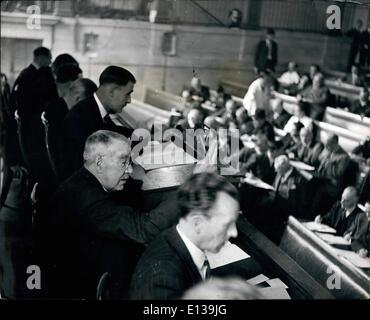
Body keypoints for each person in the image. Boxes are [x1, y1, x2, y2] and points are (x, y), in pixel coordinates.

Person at [45, 130, 180, 299]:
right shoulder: (84, 196)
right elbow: (144, 231)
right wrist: (188, 191)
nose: (130, 169)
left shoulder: (90, 181)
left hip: (96, 264)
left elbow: (140, 199)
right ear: (100, 162)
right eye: (123, 162)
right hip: (86, 285)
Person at [129, 172, 240, 300]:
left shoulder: (173, 237)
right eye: (227, 224)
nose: (234, 233)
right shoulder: (162, 281)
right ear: (197, 223)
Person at [60, 65, 136, 180]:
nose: (129, 100)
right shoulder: (81, 116)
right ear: (112, 91)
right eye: (128, 94)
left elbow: (113, 130)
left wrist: (144, 135)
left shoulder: (93, 109)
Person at [315, 187, 368, 253]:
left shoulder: (360, 216)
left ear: (355, 201)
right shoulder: (338, 206)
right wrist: (320, 219)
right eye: (342, 198)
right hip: (329, 243)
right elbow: (327, 218)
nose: (342, 201)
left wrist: (350, 238)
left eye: (346, 200)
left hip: (343, 250)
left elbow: (358, 238)